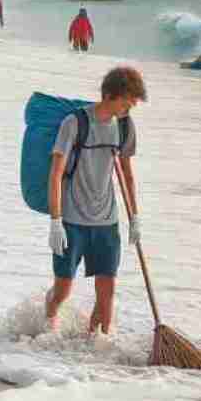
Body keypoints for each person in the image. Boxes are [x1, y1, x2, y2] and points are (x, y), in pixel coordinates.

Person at [45, 66, 144, 335]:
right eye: (130, 98)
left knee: (107, 291)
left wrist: (134, 217)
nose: (134, 104)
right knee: (63, 290)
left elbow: (127, 174)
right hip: (72, 220)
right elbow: (55, 174)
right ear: (112, 94)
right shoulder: (75, 123)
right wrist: (56, 222)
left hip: (106, 221)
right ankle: (48, 317)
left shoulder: (125, 126)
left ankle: (94, 350)